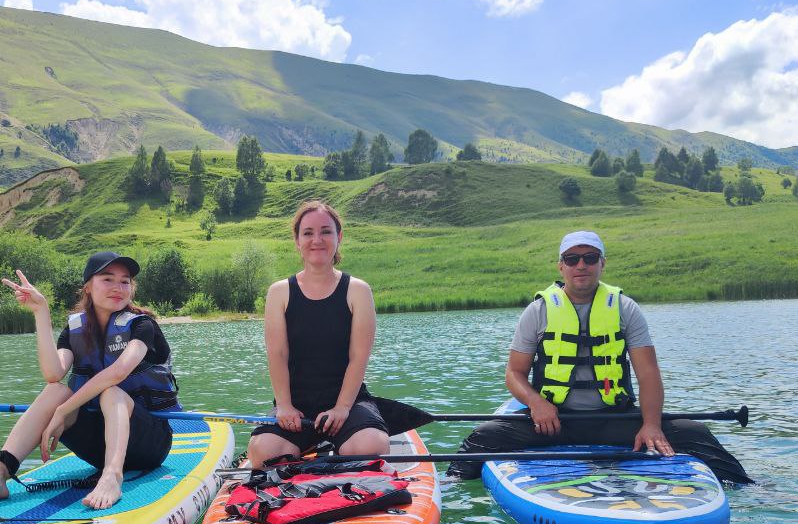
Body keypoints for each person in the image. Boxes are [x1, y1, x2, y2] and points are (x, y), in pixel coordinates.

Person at [451, 229, 751, 483]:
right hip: (553, 422)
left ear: (602, 264)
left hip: (613, 419)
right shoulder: (538, 311)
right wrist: (537, 404)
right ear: (561, 267)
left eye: (590, 258)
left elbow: (648, 375)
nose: (581, 265)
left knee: (694, 432)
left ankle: (752, 488)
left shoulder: (625, 308)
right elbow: (514, 373)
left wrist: (651, 425)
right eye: (572, 259)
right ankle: (448, 489)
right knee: (483, 436)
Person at [0, 251, 179, 510]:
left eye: (125, 281)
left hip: (149, 443)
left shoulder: (142, 326)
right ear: (87, 287)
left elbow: (119, 372)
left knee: (110, 392)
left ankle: (113, 476)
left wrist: (64, 411)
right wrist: (41, 312)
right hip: (99, 444)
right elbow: (53, 373)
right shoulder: (75, 330)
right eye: (108, 279)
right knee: (55, 390)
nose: (118, 287)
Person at [248, 200, 390, 468]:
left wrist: (342, 408)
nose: (317, 240)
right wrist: (285, 406)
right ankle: (312, 442)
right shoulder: (279, 292)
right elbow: (277, 354)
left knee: (370, 447)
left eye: (326, 231)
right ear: (297, 241)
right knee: (263, 452)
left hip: (348, 401)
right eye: (308, 233)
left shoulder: (358, 290)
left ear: (339, 237)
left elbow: (358, 357)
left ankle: (344, 437)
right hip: (296, 406)